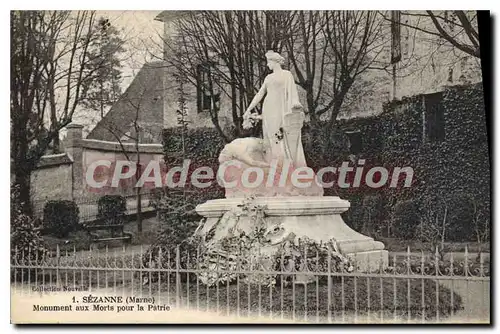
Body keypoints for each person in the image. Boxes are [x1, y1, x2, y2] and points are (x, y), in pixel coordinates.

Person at [243, 50, 306, 168]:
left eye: (268, 62)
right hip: (269, 108)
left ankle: (285, 165)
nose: (267, 65)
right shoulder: (268, 78)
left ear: (274, 61)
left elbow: (292, 92)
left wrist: (295, 104)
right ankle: (273, 164)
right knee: (270, 137)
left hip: (281, 108)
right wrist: (248, 109)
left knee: (281, 135)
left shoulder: (287, 74)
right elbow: (260, 94)